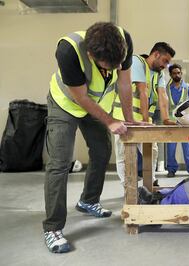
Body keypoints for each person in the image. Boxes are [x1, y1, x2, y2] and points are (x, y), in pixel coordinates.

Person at [43, 22, 134, 253]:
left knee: (102, 151)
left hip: (96, 106)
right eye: (107, 66)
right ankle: (52, 227)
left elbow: (124, 83)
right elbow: (81, 98)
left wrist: (129, 118)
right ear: (91, 54)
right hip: (66, 105)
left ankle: (88, 200)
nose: (114, 69)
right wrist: (111, 120)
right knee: (59, 162)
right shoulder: (68, 50)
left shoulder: (124, 40)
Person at [113, 42, 176, 185]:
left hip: (143, 119)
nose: (166, 65)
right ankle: (128, 186)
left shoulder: (159, 74)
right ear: (156, 54)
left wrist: (166, 119)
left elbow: (163, 95)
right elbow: (143, 92)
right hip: (124, 117)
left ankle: (150, 181)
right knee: (124, 153)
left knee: (152, 149)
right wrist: (147, 121)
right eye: (165, 61)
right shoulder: (136, 62)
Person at [165, 64, 189, 177]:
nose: (177, 75)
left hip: (185, 121)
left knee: (187, 145)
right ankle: (171, 169)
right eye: (174, 73)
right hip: (171, 121)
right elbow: (164, 106)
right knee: (170, 147)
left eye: (178, 73)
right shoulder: (166, 89)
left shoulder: (188, 88)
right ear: (170, 75)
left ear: (181, 73)